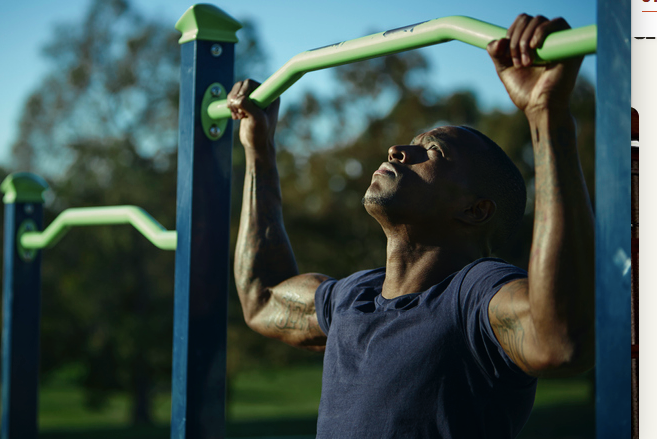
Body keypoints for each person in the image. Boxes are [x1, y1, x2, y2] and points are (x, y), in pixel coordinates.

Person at [228, 14, 594, 439]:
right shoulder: (354, 297)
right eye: (411, 144)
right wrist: (259, 147)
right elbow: (261, 300)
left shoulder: (472, 295)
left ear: (476, 211)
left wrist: (547, 114)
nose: (398, 150)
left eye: (432, 152)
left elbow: (561, 340)